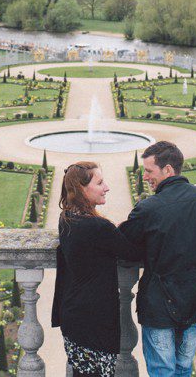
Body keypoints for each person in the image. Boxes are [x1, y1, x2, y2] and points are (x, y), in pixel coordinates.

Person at [119, 141, 196, 376]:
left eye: (149, 171)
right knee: (183, 369)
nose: (146, 177)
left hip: (160, 303)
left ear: (168, 170)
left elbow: (123, 247)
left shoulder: (148, 208)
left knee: (163, 371)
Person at [52, 161, 142, 377]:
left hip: (74, 315)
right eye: (100, 182)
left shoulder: (66, 218)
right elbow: (133, 253)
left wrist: (114, 232)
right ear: (82, 189)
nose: (107, 187)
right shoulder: (98, 227)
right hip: (94, 320)